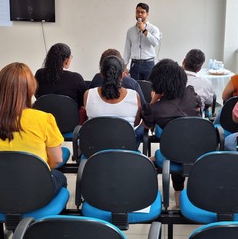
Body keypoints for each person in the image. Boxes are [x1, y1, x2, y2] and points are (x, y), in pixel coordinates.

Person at [0, 62, 68, 196]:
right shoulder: (43, 119)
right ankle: (51, 216)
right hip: (36, 188)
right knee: (60, 177)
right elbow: (57, 160)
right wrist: (41, 170)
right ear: (30, 88)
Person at [141, 59, 201, 207]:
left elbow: (147, 126)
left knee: (175, 145)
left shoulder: (156, 109)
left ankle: (178, 190)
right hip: (200, 147)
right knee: (182, 139)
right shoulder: (191, 93)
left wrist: (154, 99)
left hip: (173, 152)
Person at [84, 55, 142, 145]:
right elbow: (136, 122)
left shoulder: (88, 94)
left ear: (101, 75)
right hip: (125, 151)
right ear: (123, 75)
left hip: (94, 151)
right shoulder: (134, 96)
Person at [35, 43, 87, 108]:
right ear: (67, 60)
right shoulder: (76, 78)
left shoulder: (39, 74)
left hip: (43, 116)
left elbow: (36, 95)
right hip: (69, 117)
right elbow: (84, 101)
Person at [123, 2, 161, 80]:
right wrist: (124, 66)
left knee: (148, 88)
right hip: (135, 64)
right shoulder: (130, 31)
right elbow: (127, 49)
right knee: (135, 88)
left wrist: (144, 30)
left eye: (142, 12)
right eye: (137, 12)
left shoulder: (154, 29)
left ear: (147, 14)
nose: (139, 14)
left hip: (148, 64)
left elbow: (155, 43)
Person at [182, 49, 214, 114]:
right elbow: (209, 102)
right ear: (199, 68)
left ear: (183, 61)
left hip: (172, 122)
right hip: (197, 122)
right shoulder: (206, 83)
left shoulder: (171, 79)